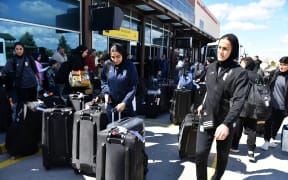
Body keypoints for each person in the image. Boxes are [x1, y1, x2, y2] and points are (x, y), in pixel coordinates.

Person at [195, 34, 248, 180]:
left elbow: (238, 101)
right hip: (207, 118)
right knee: (200, 154)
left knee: (222, 156)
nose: (221, 51)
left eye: (225, 49)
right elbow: (210, 90)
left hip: (225, 123)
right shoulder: (211, 67)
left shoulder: (240, 73)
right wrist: (203, 103)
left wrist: (226, 124)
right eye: (219, 47)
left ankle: (216, 178)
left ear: (233, 51)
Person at [230, 57, 259, 163]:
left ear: (246, 64)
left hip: (241, 106)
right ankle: (251, 152)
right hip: (254, 107)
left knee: (238, 127)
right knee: (252, 129)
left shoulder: (241, 73)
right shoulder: (258, 75)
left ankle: (234, 147)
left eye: (241, 62)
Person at [100, 43, 138, 123]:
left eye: (118, 57)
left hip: (126, 107)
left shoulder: (130, 66)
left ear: (123, 55)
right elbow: (103, 80)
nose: (115, 60)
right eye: (113, 57)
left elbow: (133, 87)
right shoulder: (107, 65)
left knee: (126, 133)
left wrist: (125, 102)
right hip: (111, 106)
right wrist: (106, 93)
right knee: (111, 132)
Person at [0, 42, 40, 106]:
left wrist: (40, 80)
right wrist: (1, 73)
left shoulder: (29, 57)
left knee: (33, 104)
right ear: (14, 50)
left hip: (32, 85)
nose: (19, 51)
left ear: (23, 49)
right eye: (17, 49)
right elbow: (5, 69)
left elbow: (35, 70)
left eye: (20, 49)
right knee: (22, 104)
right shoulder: (12, 60)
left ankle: (32, 115)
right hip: (21, 87)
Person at [261, 56, 288, 150]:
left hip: (283, 107)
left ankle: (272, 139)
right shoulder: (274, 73)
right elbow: (264, 80)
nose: (282, 66)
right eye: (281, 64)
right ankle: (266, 141)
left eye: (285, 65)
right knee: (268, 123)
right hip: (271, 104)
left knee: (276, 125)